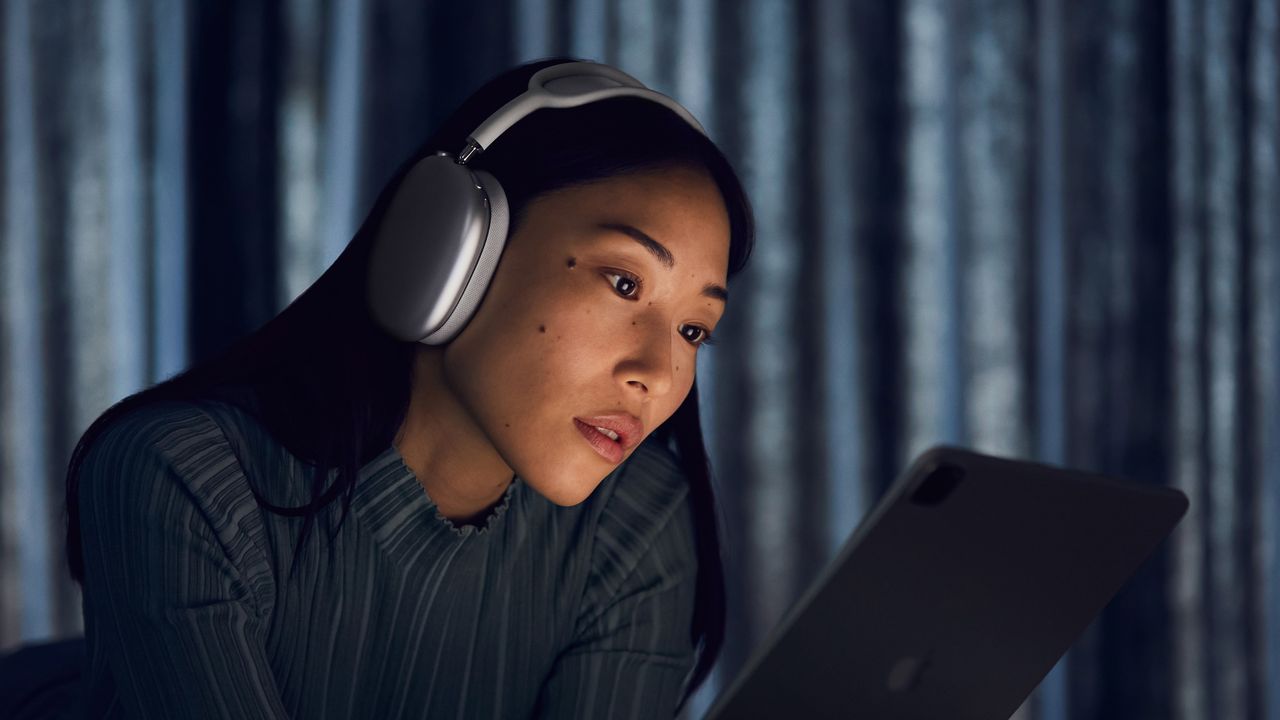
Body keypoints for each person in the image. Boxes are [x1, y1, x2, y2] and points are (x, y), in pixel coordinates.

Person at [64, 57, 755, 719]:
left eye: (695, 330)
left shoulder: (635, 526)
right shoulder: (182, 480)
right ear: (452, 246)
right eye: (625, 283)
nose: (660, 374)